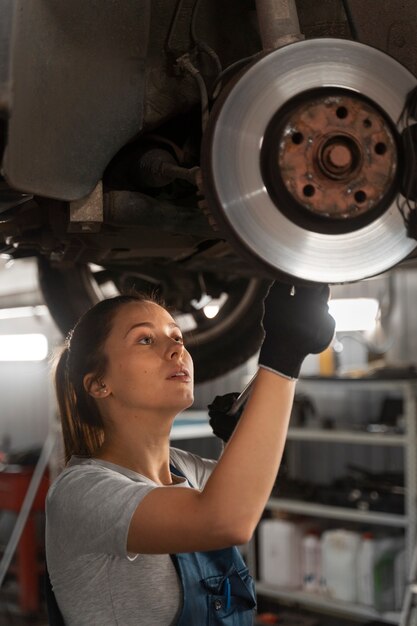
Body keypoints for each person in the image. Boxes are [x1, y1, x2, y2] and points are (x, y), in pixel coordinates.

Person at [45, 282, 335, 626]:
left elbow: (250, 494)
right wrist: (283, 356)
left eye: (177, 337)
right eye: (145, 340)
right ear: (98, 384)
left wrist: (239, 436)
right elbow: (226, 520)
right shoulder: (80, 492)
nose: (175, 349)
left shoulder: (180, 467)